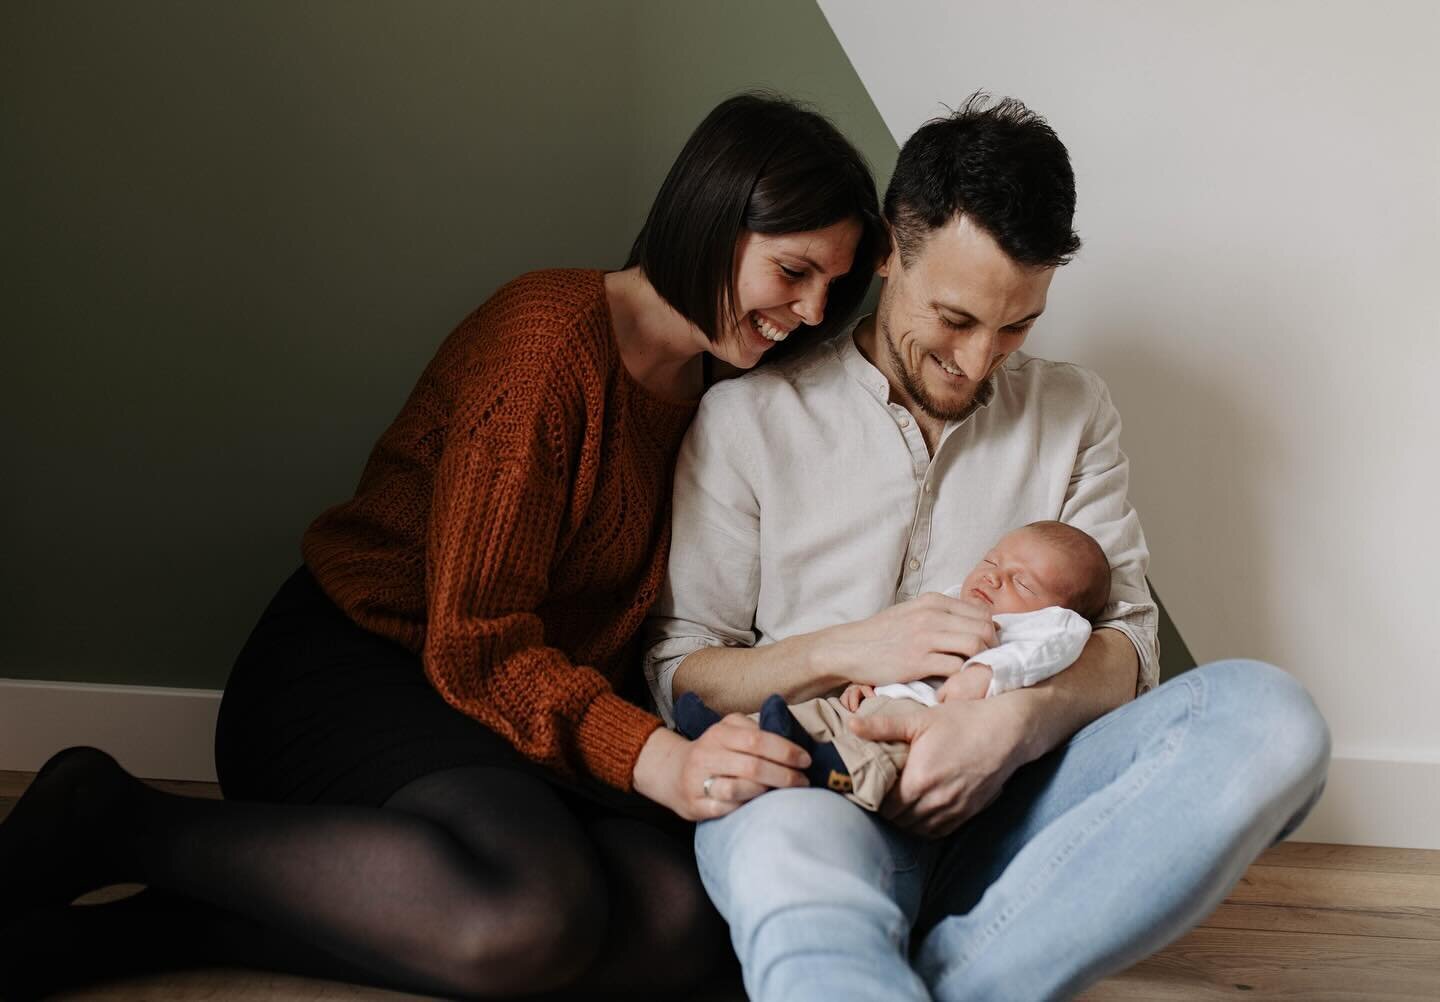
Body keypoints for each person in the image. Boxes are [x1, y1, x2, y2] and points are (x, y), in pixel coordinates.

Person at [0, 93, 886, 999]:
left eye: (833, 285)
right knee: (529, 913)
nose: (814, 312)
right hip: (362, 664)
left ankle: (141, 932)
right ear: (713, 219)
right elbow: (474, 640)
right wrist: (657, 759)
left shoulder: (729, 393)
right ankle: (112, 820)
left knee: (680, 926)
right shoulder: (548, 342)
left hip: (512, 709)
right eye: (794, 271)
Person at [644, 93, 1330, 1001]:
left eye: (1016, 327)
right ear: (890, 251)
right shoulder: (747, 419)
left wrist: (1006, 727)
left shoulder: (1073, 412)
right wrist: (849, 648)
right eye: (956, 320)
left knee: (1270, 718)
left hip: (1026, 805)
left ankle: (961, 977)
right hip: (823, 791)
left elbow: (1129, 646)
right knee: (780, 853)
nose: (978, 362)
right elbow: (681, 669)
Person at [672, 520, 1109, 811]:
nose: (994, 577)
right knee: (810, 717)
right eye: (993, 561)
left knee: (873, 755)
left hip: (927, 723)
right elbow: (905, 649)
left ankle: (833, 777)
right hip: (879, 698)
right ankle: (727, 731)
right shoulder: (960, 600)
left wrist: (987, 674)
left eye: (1023, 582)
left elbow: (1047, 652)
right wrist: (870, 683)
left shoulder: (1050, 628)